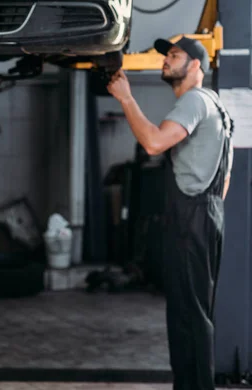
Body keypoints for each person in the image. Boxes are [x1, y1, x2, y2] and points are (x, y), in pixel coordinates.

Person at [107, 36, 233, 390]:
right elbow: (226, 178)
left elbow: (153, 143)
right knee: (192, 311)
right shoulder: (217, 105)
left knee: (187, 314)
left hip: (192, 217)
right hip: (206, 213)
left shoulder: (194, 100)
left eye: (175, 56)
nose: (166, 60)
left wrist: (126, 98)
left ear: (195, 65)